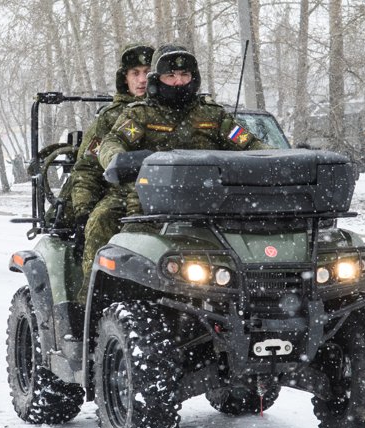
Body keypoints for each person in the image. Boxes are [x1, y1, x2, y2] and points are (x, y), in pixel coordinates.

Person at [78, 44, 270, 303]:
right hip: (144, 196)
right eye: (171, 76)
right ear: (158, 79)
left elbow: (251, 144)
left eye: (185, 75)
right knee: (101, 219)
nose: (179, 82)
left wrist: (277, 162)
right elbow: (112, 142)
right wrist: (118, 160)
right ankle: (92, 300)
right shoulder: (141, 115)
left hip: (208, 199)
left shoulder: (213, 116)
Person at [69, 43, 154, 301]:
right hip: (121, 194)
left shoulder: (178, 111)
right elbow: (87, 169)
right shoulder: (111, 118)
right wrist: (83, 211)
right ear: (124, 78)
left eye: (148, 73)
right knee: (100, 221)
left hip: (173, 196)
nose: (141, 80)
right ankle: (91, 302)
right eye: (135, 73)